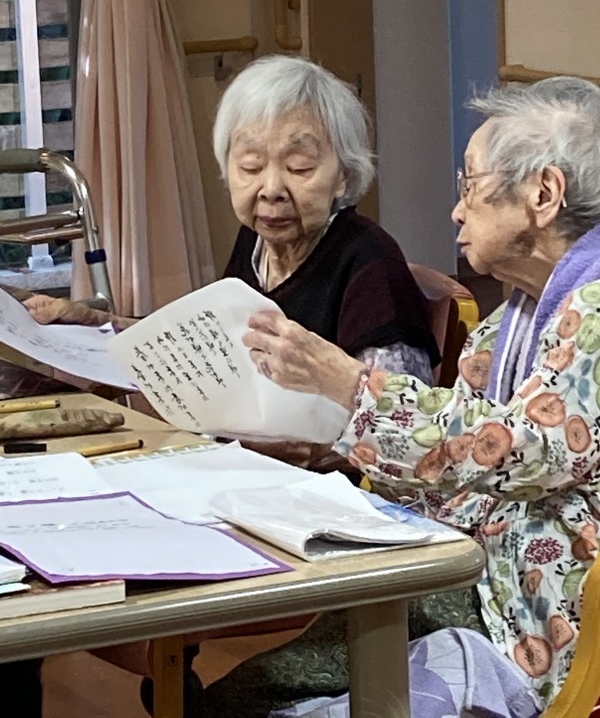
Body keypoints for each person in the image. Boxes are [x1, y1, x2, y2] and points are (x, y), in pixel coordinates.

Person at [22, 56, 440, 713]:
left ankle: (177, 685)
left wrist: (323, 451)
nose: (271, 190)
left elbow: (406, 428)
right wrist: (99, 323)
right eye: (250, 166)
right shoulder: (256, 248)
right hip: (244, 475)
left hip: (324, 514)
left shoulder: (370, 262)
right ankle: (160, 678)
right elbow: (211, 347)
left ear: (345, 174)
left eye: (299, 167)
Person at [236, 75, 600, 717]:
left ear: (544, 194)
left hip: (533, 616)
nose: (457, 211)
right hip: (475, 575)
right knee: (250, 693)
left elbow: (520, 451)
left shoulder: (593, 311)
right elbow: (451, 464)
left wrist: (348, 385)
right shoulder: (514, 316)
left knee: (257, 699)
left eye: (470, 185)